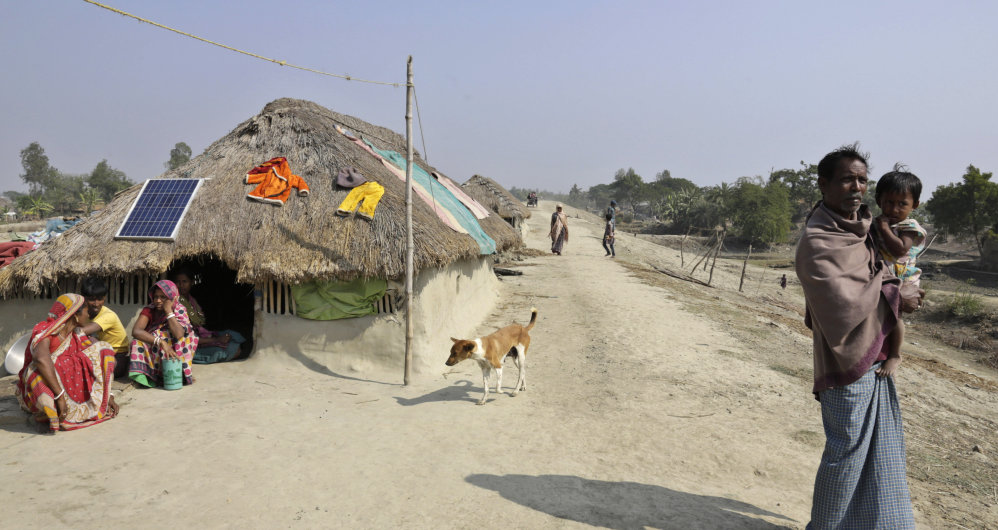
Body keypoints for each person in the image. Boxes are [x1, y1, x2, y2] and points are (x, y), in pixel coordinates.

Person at [796, 144, 919, 529]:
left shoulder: (866, 227)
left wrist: (897, 287)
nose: (857, 187)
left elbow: (885, 270)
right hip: (845, 361)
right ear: (824, 183)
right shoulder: (818, 241)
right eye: (847, 179)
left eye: (862, 180)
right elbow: (842, 305)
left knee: (880, 452)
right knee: (845, 454)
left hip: (877, 357)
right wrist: (898, 292)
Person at [15, 293, 119, 433]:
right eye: (86, 310)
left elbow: (98, 363)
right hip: (49, 388)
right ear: (75, 314)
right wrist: (60, 396)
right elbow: (40, 358)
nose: (89, 315)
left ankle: (74, 411)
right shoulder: (45, 330)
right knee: (35, 372)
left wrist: (108, 395)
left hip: (66, 387)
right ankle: (49, 412)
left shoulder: (76, 334)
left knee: (103, 350)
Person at [871, 165, 926, 379]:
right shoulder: (877, 221)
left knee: (896, 316)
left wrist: (884, 228)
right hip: (886, 275)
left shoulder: (910, 226)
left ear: (915, 204)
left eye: (902, 204)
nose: (894, 209)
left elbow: (900, 248)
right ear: (879, 201)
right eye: (889, 202)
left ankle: (895, 354)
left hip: (904, 276)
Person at [128, 279, 199, 388]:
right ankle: (151, 376)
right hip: (155, 348)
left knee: (186, 336)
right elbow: (136, 331)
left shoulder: (179, 309)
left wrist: (168, 311)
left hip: (173, 347)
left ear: (172, 297)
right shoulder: (149, 310)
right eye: (156, 297)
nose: (158, 301)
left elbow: (179, 334)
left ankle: (179, 372)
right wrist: (160, 342)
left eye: (163, 297)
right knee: (137, 342)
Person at [171, 268, 246, 364]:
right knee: (228, 351)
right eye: (178, 282)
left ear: (191, 282)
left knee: (233, 334)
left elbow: (200, 325)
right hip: (188, 345)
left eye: (184, 281)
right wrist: (216, 339)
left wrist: (212, 336)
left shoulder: (191, 300)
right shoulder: (175, 304)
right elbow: (187, 338)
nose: (181, 285)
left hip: (199, 335)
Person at [79, 277, 130, 378]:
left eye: (100, 299)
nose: (96, 304)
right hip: (100, 354)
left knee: (88, 339)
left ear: (105, 298)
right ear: (84, 298)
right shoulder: (84, 313)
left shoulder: (108, 316)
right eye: (92, 299)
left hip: (117, 359)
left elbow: (82, 331)